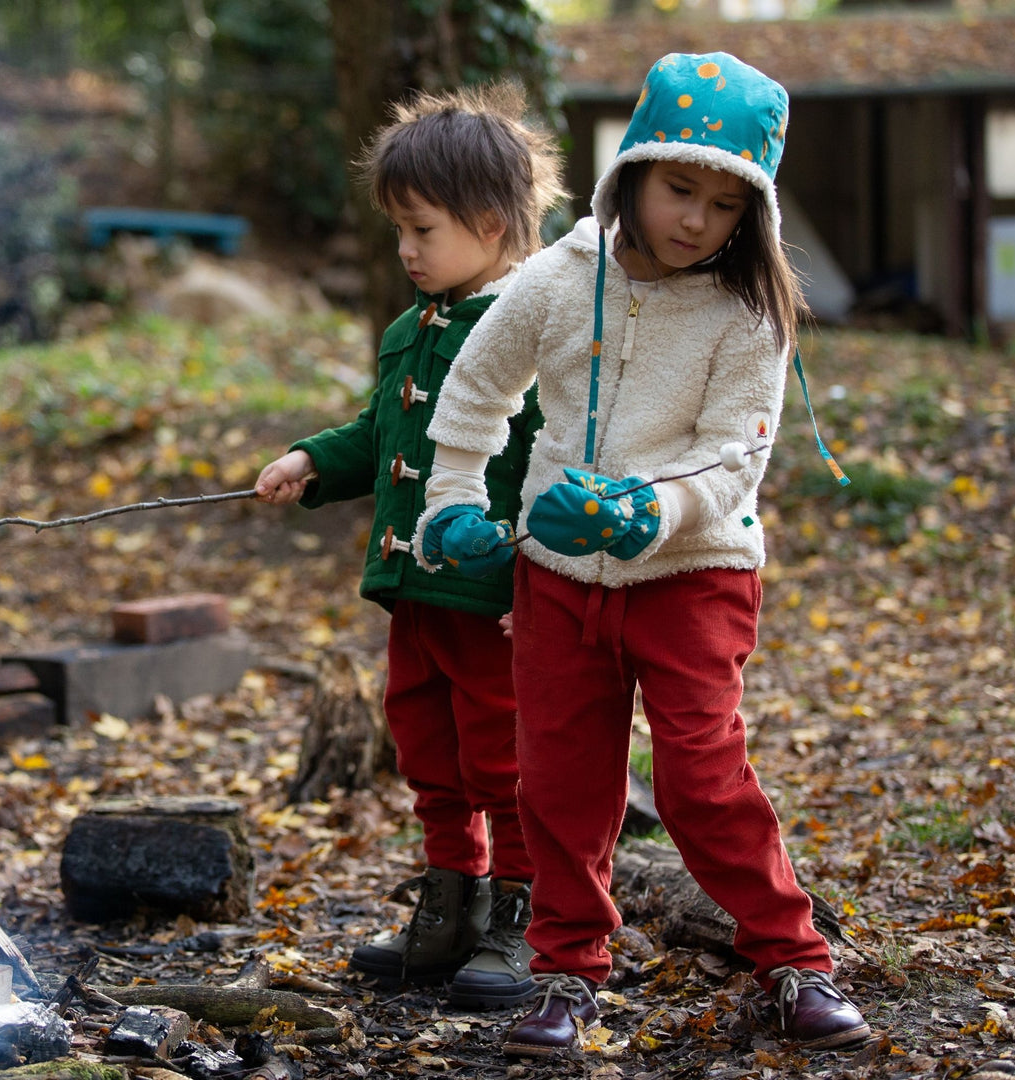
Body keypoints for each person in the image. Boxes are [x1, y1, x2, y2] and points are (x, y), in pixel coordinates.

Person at [413, 52, 871, 1054]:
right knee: (561, 785)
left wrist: (646, 515)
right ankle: (566, 975)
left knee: (704, 780)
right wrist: (453, 502)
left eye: (724, 203)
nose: (697, 220)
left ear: (753, 213)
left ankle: (793, 962)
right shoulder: (558, 278)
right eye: (679, 188)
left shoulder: (750, 312)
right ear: (632, 171)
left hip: (693, 576)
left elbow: (733, 461)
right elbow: (476, 390)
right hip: (557, 580)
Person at [254, 83, 566, 1010]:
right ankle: (449, 900)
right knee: (428, 753)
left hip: (494, 600)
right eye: (398, 229)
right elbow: (383, 432)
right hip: (414, 600)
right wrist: (313, 458)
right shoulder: (406, 332)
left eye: (422, 230)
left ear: (490, 221)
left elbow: (561, 460)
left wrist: (537, 573)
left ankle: (524, 909)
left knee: (503, 759)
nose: (405, 250)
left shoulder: (537, 331)